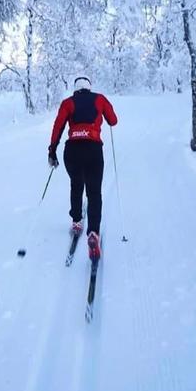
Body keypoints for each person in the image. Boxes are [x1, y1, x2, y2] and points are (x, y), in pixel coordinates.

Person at [48, 76, 118, 260]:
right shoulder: (100, 99)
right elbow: (113, 120)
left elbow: (58, 126)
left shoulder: (68, 102)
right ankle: (93, 232)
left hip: (72, 151)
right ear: (89, 87)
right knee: (94, 192)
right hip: (93, 150)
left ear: (75, 89)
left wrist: (52, 150)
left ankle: (77, 221)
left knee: (76, 184)